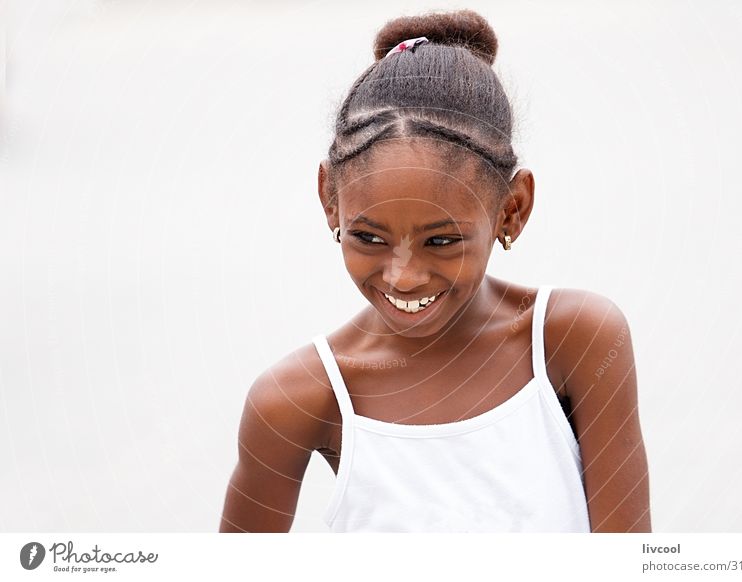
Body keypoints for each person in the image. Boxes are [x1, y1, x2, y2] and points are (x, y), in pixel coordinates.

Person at [219, 9, 650, 533]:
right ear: (329, 200)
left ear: (512, 209)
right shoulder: (297, 399)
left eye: (441, 241)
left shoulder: (575, 341)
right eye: (369, 238)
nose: (403, 276)